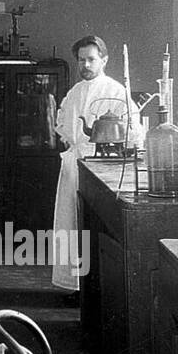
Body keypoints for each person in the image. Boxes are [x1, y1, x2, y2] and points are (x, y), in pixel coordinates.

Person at [49, 35, 140, 291]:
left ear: (104, 60)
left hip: (103, 169)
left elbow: (134, 131)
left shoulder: (116, 91)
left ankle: (96, 289)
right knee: (70, 225)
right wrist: (71, 144)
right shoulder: (75, 92)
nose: (85, 65)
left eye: (91, 59)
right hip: (74, 166)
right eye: (81, 60)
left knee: (94, 228)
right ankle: (72, 285)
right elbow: (62, 126)